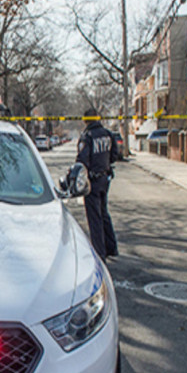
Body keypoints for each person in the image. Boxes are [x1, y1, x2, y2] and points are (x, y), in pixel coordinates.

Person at [76, 107, 119, 261]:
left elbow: (82, 160)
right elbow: (115, 155)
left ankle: (99, 252)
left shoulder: (87, 137)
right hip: (105, 179)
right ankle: (111, 247)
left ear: (86, 121)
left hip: (92, 180)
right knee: (104, 213)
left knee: (94, 217)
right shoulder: (108, 134)